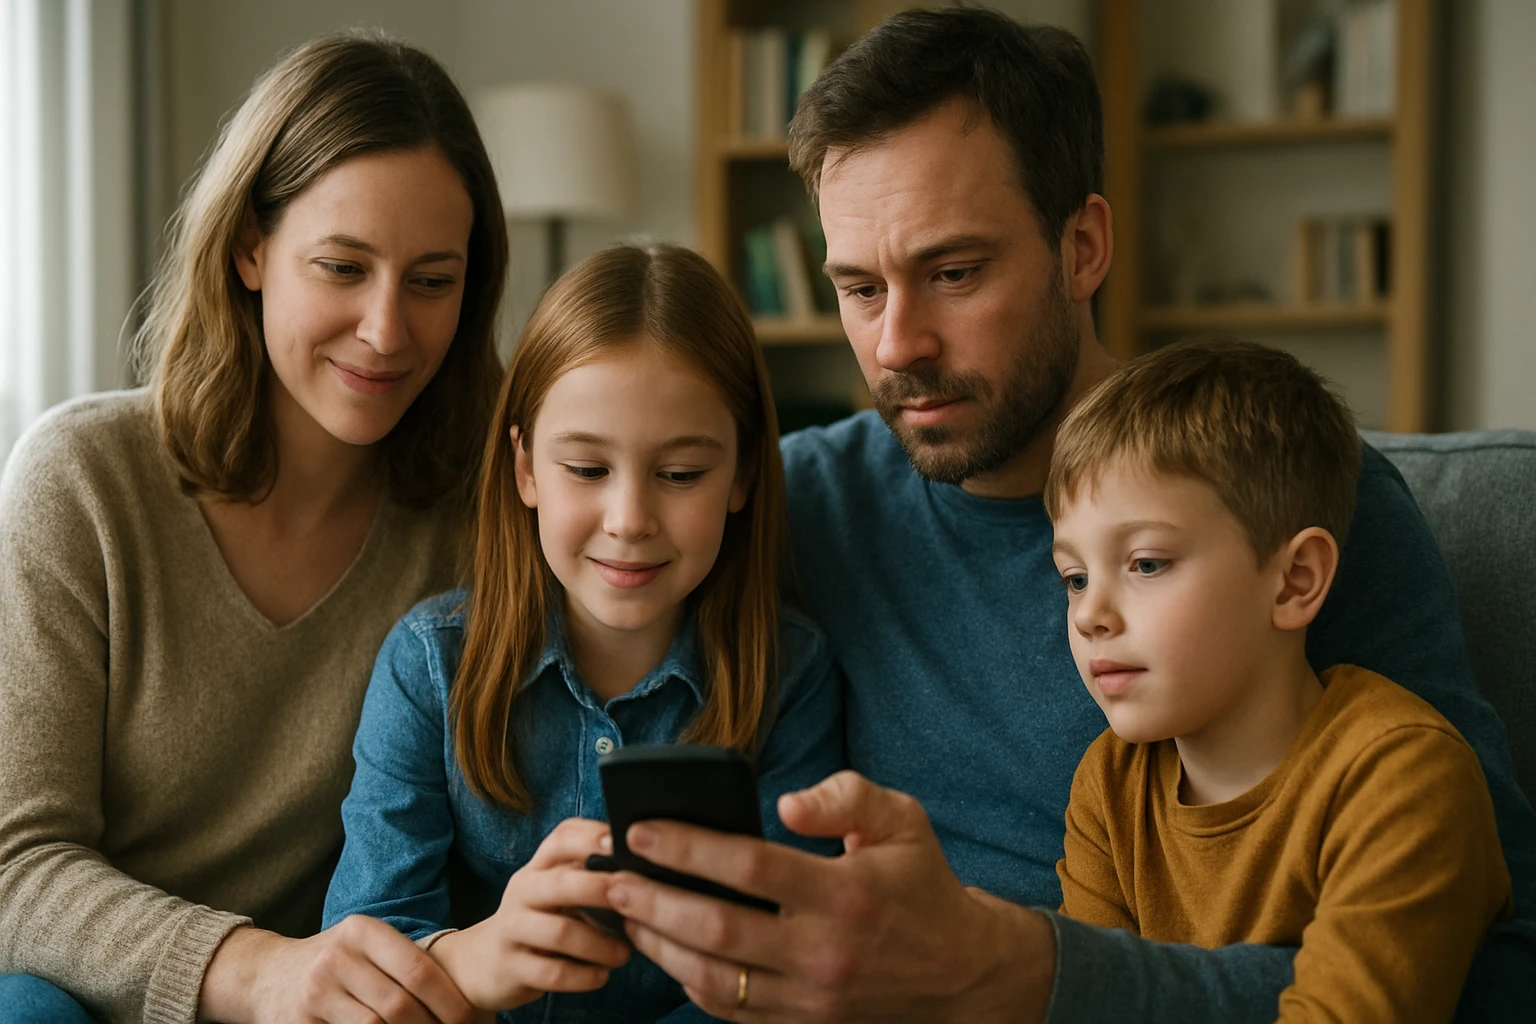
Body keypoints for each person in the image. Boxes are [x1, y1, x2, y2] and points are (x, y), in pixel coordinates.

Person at [597, 8, 1536, 1022]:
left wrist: (1021, 970)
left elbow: (1500, 966)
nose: (897, 343)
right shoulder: (789, 503)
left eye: (954, 273)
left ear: (1083, 245)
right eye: (859, 288)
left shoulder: (1300, 499)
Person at [0, 32, 507, 1024]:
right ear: (249, 248)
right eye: (342, 266)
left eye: (433, 280)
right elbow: (15, 868)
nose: (387, 330)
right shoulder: (82, 481)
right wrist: (260, 970)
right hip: (93, 998)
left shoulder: (482, 512)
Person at [320, 243, 844, 1022]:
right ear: (526, 468)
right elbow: (366, 950)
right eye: (588, 470)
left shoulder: (789, 675)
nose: (629, 521)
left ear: (740, 476)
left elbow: (786, 964)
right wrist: (480, 958)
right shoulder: (432, 664)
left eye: (680, 475)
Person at [1046, 338, 1511, 1022]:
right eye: (1074, 577)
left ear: (1296, 581)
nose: (1089, 614)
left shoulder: (1402, 775)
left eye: (1145, 564)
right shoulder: (1110, 784)